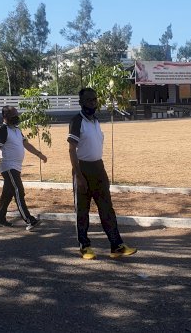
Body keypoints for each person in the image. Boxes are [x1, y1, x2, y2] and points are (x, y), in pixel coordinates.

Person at [68, 88, 137, 260]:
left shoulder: (96, 121)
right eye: (88, 100)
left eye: (94, 99)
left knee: (107, 208)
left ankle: (116, 245)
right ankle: (84, 246)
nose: (92, 102)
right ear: (81, 103)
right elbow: (71, 150)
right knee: (82, 211)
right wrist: (78, 175)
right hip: (83, 169)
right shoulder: (77, 121)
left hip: (99, 168)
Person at [0, 106, 46, 231]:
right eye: (13, 115)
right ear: (5, 117)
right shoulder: (2, 131)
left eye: (17, 114)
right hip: (8, 166)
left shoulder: (16, 129)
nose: (17, 117)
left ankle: (0, 218)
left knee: (8, 193)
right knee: (18, 190)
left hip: (16, 166)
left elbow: (26, 144)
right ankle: (29, 220)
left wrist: (39, 154)